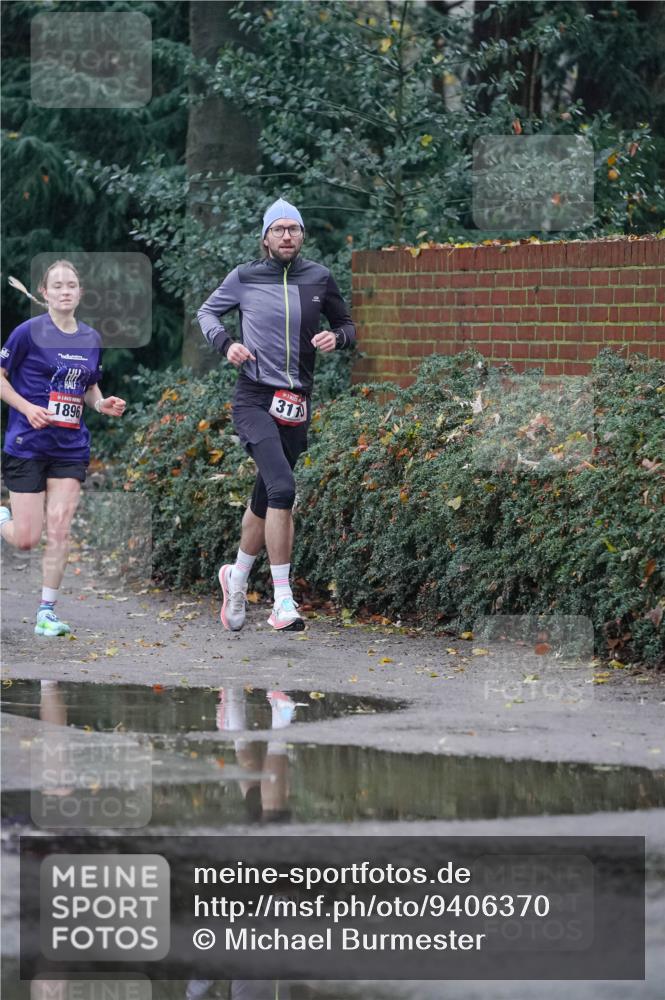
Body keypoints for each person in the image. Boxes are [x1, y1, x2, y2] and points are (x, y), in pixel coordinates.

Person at [198, 198, 355, 632]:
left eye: (294, 229)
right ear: (265, 237)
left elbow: (349, 327)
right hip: (254, 398)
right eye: (279, 229)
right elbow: (207, 312)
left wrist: (335, 338)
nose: (287, 235)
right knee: (284, 487)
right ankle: (282, 601)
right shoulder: (245, 277)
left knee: (266, 497)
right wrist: (226, 344)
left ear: (302, 235)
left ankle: (237, 576)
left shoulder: (319, 277)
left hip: (297, 403)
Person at [0, 259, 126, 636]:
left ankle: (47, 612)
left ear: (80, 292)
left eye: (71, 285)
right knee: (26, 539)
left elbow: (88, 387)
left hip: (70, 446)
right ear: (45, 293)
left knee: (59, 527)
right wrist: (26, 407)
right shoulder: (27, 333)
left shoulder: (90, 338)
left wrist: (103, 404)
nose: (65, 291)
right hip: (27, 443)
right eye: (57, 285)